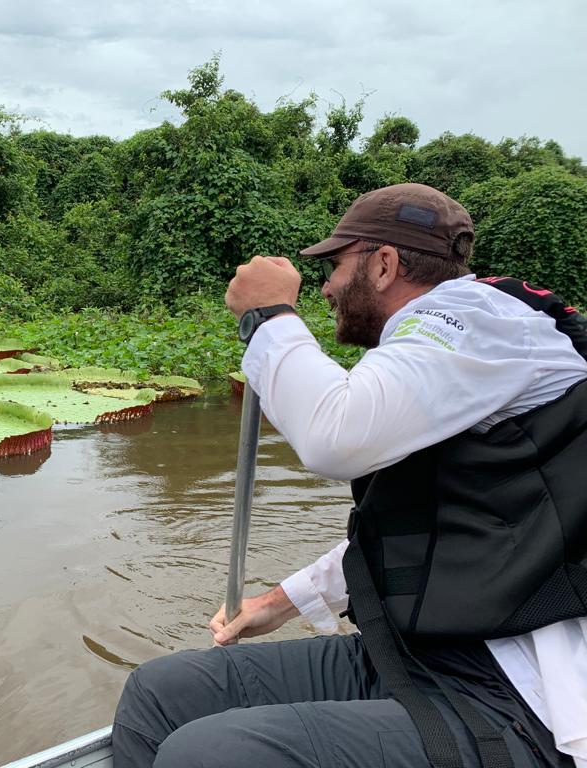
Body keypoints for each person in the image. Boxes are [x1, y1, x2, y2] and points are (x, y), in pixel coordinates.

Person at [111, 183, 587, 768]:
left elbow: (335, 437)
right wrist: (279, 602)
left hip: (517, 684)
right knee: (162, 691)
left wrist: (269, 315)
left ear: (383, 264)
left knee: (210, 753)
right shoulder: (448, 355)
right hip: (415, 654)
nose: (327, 288)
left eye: (334, 266)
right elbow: (423, 531)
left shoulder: (475, 317)